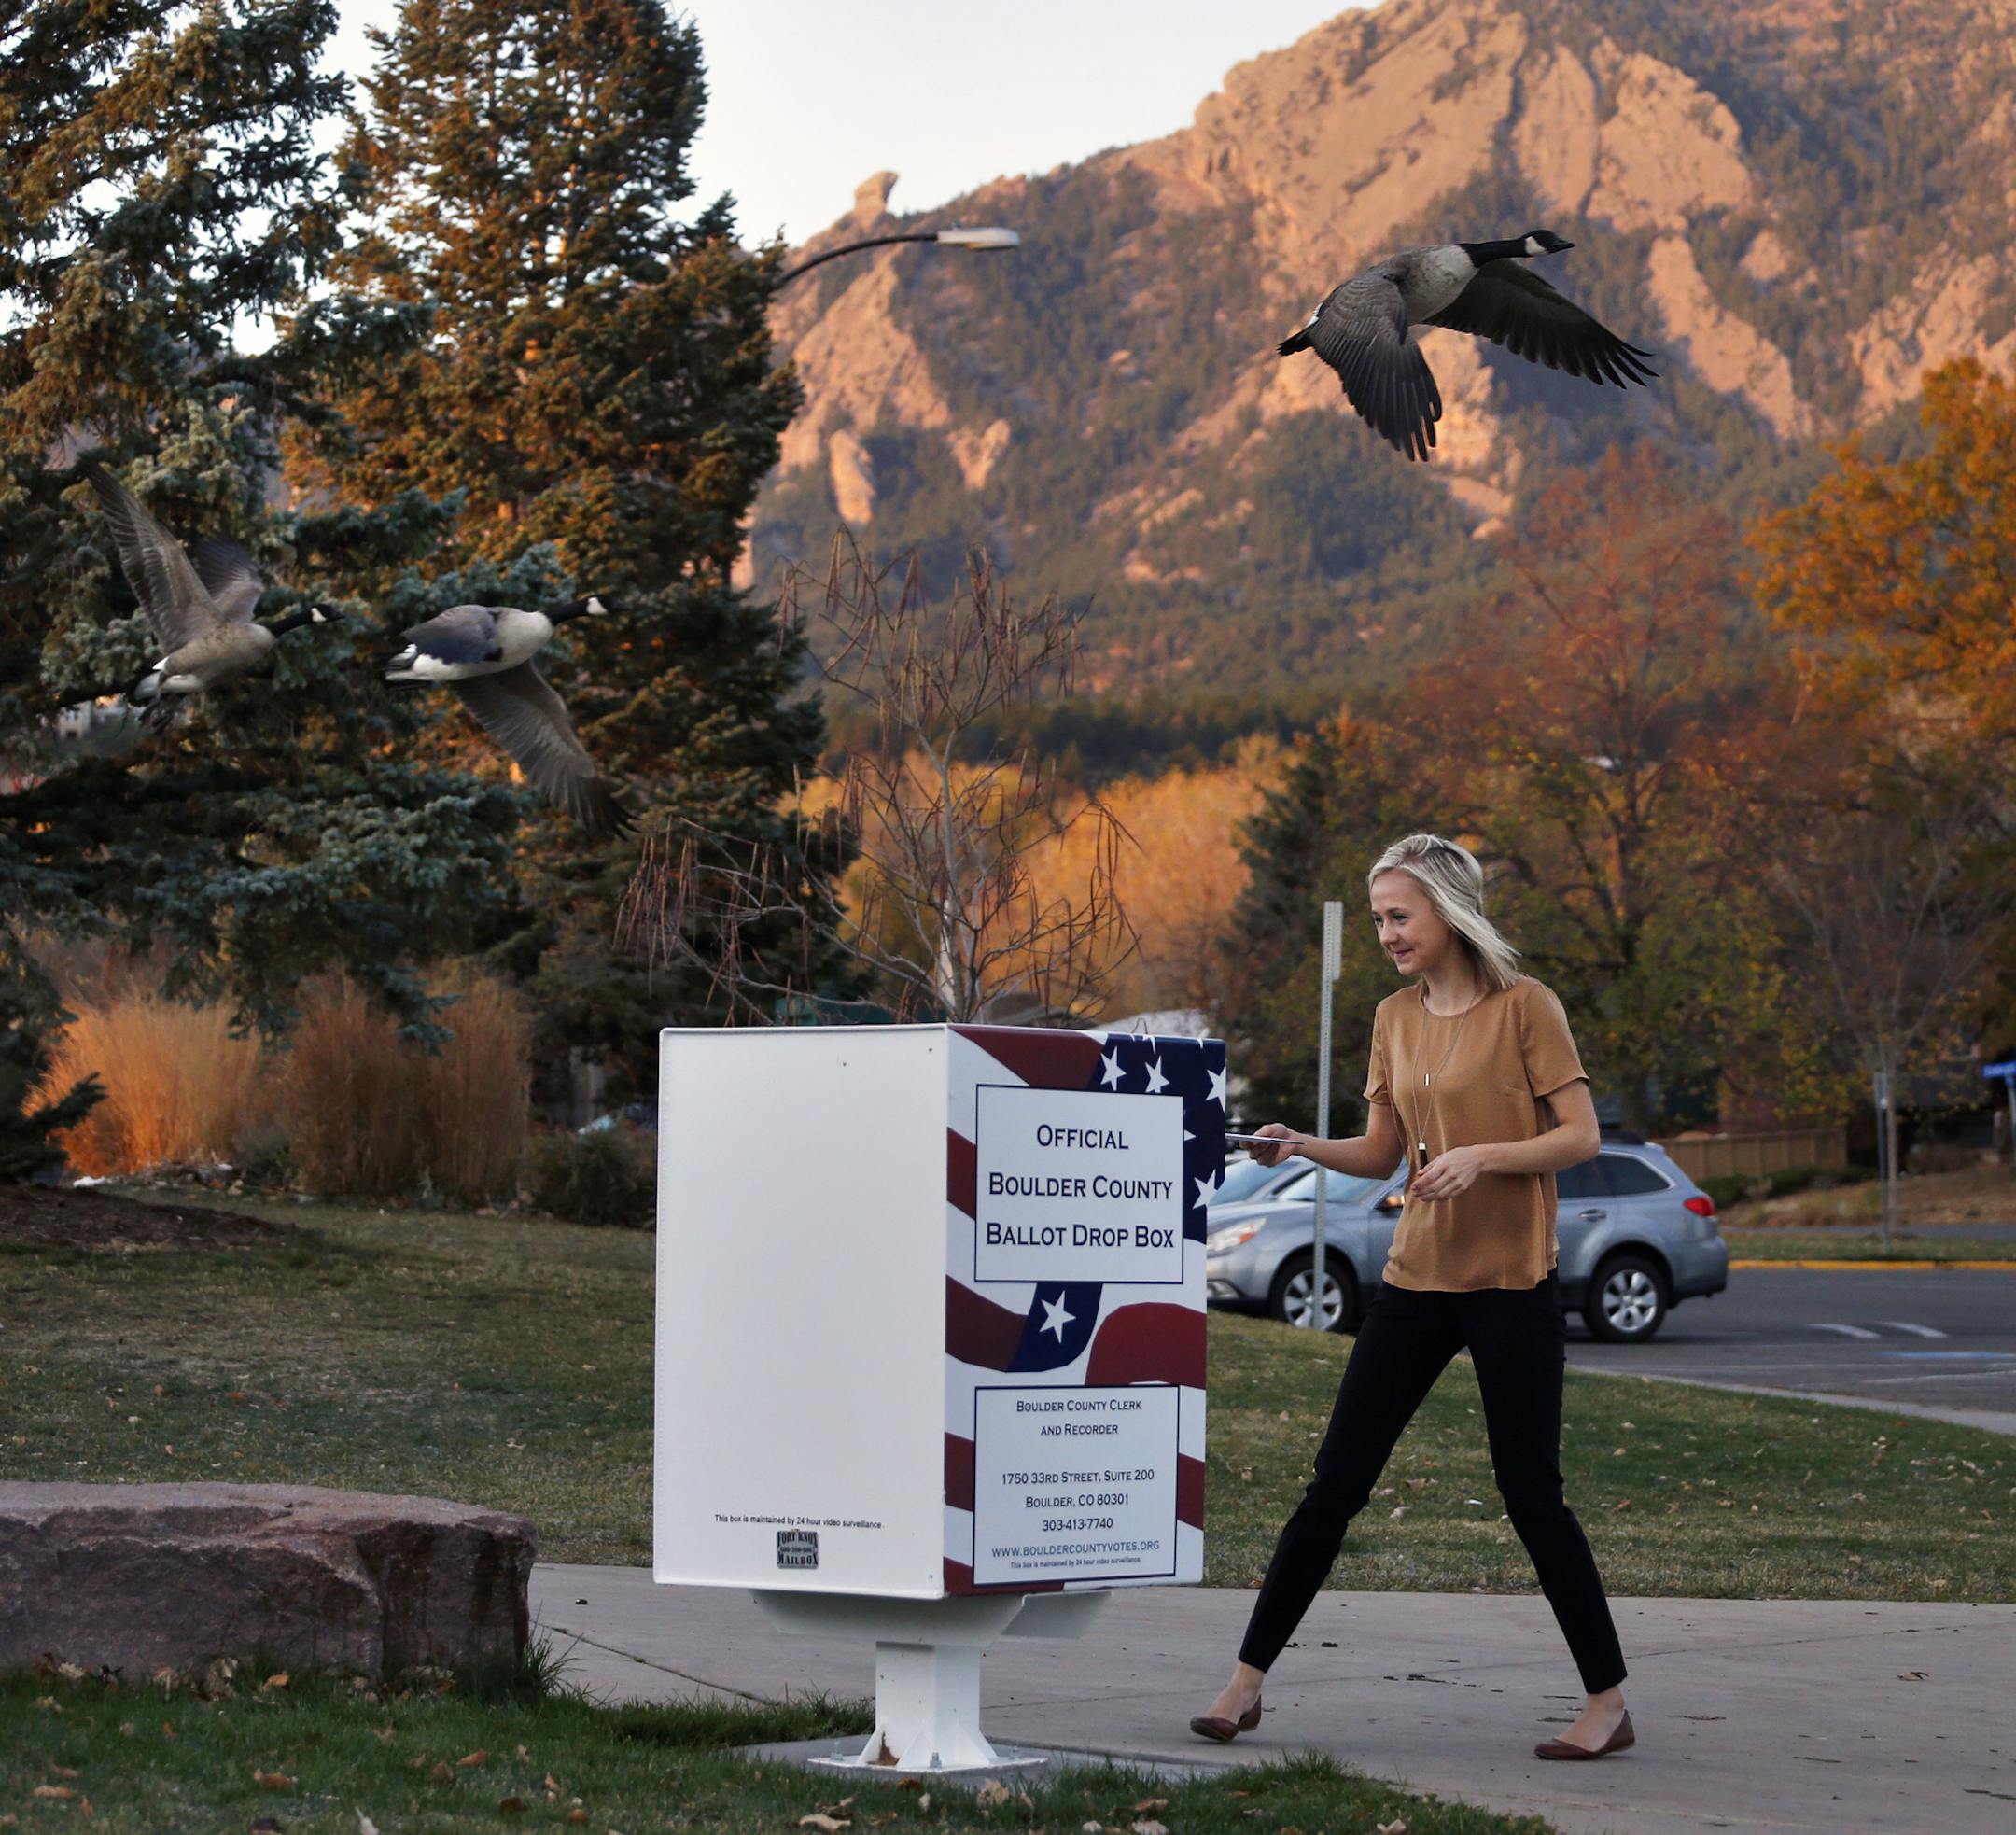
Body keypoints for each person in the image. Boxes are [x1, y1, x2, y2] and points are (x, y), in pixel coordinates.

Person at [1191, 832, 1632, 1760]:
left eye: (1399, 915)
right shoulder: (1395, 1016)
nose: (1387, 933)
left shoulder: (1527, 1008)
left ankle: (1607, 1702)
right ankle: (1243, 1684)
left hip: (1512, 1285)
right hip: (1414, 1283)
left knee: (1532, 1496)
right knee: (1333, 1486)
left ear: (1448, 909)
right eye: (1380, 917)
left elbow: (1582, 1134)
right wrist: (1302, 1145)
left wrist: (1484, 1157)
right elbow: (1381, 1154)